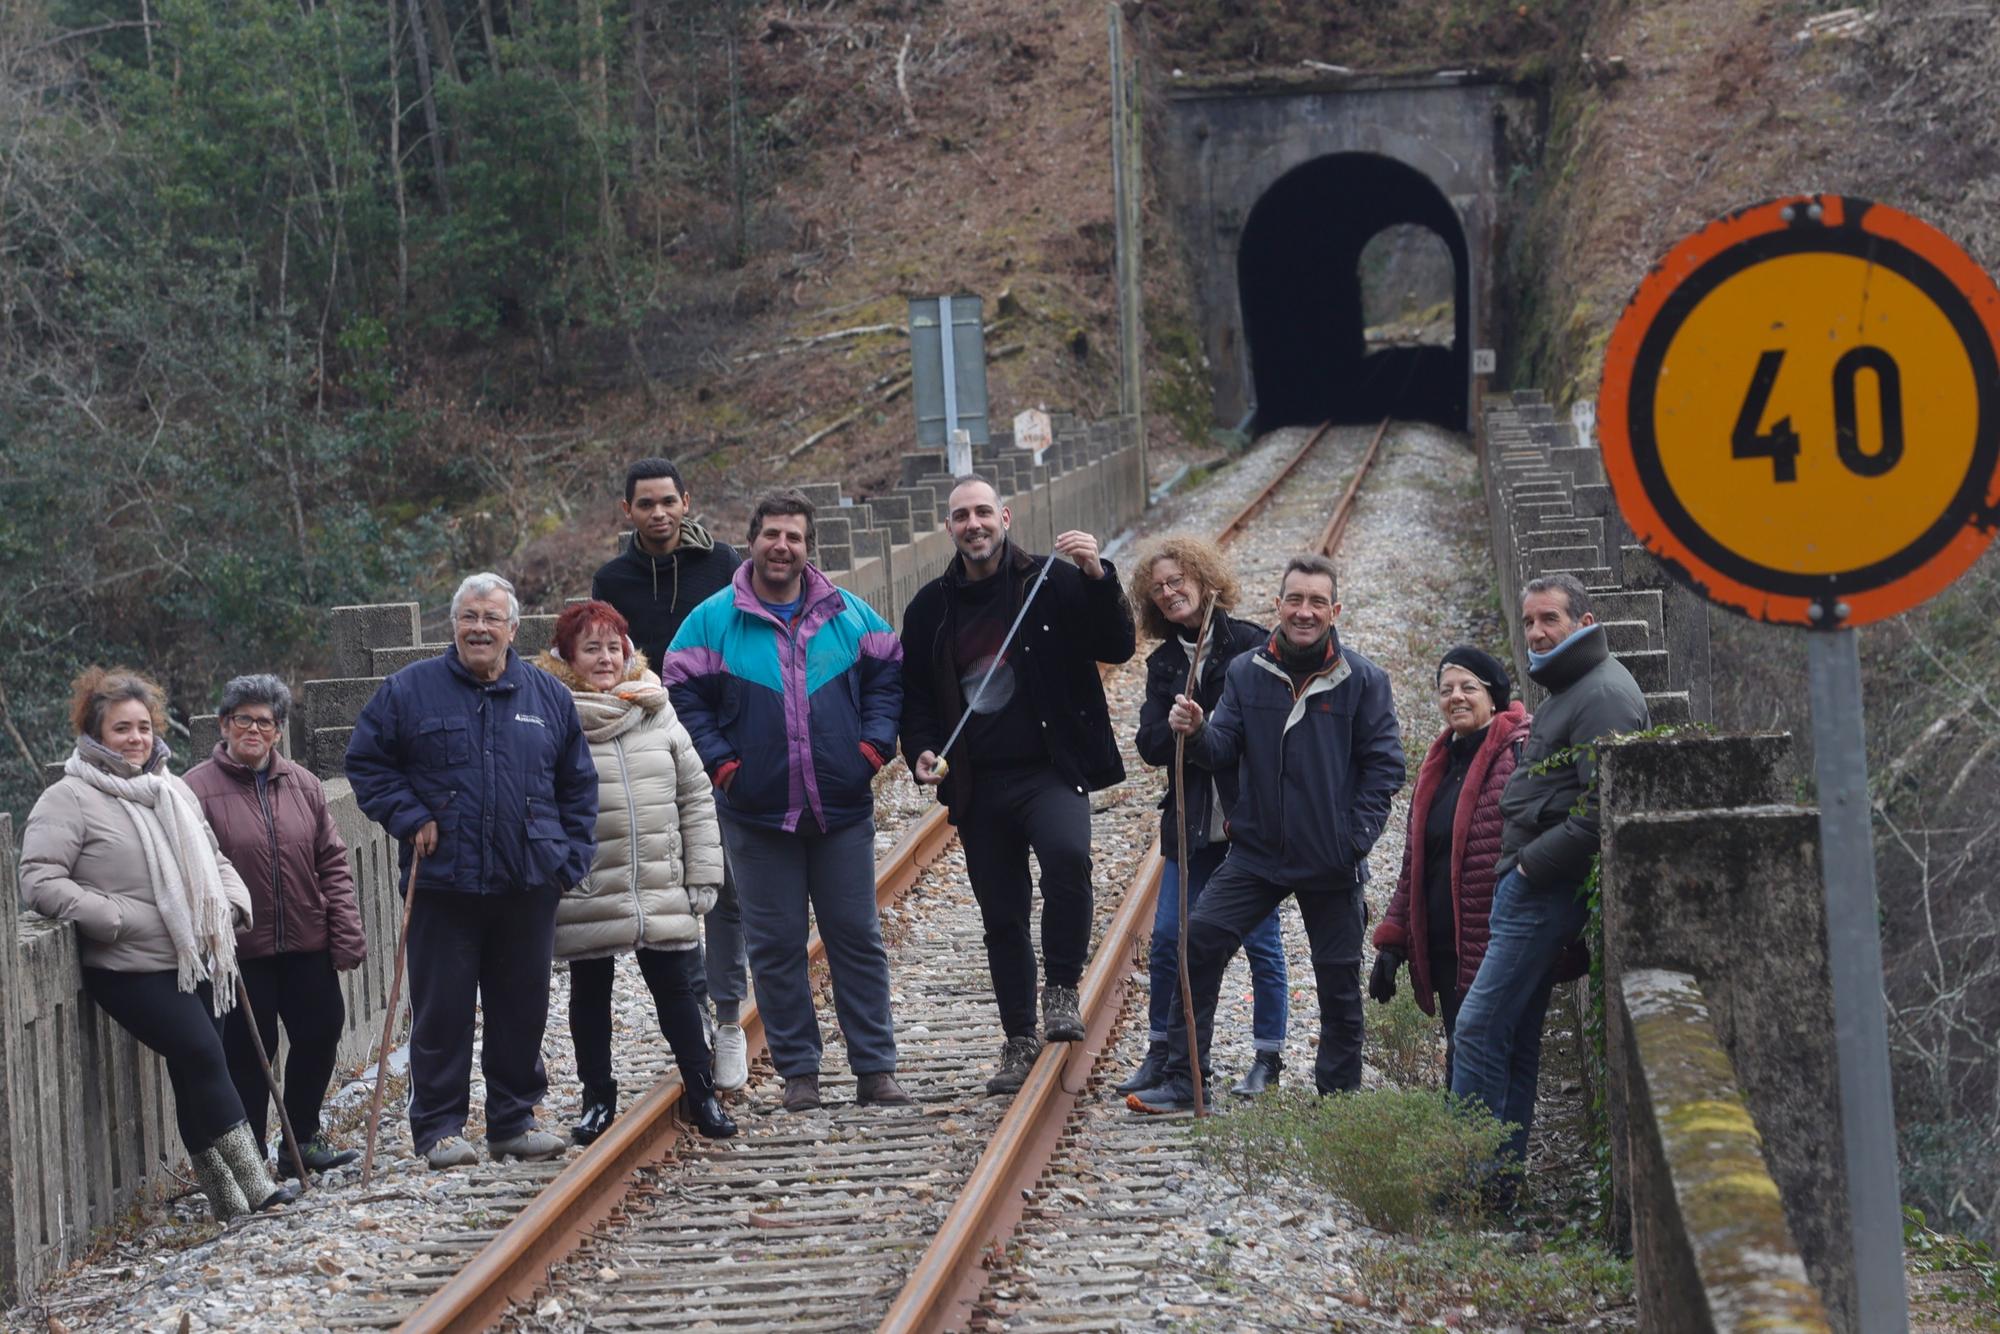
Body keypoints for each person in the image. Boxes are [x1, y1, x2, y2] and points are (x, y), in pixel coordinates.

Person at [21, 667, 299, 1221]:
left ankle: (226, 1199)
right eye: (121, 728)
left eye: (144, 727)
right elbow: (39, 879)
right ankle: (257, 1184)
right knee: (201, 1053)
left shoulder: (170, 789)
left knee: (194, 1066)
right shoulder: (69, 797)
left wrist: (230, 903)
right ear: (94, 732)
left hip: (194, 956)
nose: (136, 739)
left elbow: (213, 855)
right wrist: (115, 917)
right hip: (127, 966)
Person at [665, 491, 912, 1113]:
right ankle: (799, 1073)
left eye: (794, 538)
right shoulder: (712, 619)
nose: (782, 546)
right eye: (772, 534)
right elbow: (682, 690)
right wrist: (723, 765)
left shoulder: (849, 614)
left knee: (855, 936)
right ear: (751, 541)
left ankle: (875, 1069)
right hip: (756, 813)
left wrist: (872, 751)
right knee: (775, 947)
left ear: (808, 547)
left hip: (841, 809)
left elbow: (889, 675)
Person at [1130, 554, 1405, 1112]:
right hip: (1257, 852)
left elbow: (1385, 768)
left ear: (1335, 610)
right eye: (1295, 600)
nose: (1305, 612)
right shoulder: (1247, 671)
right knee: (1198, 943)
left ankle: (1338, 1099)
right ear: (1277, 606)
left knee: (1337, 981)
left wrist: (1354, 839)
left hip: (1331, 857)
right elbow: (1223, 746)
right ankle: (1186, 1080)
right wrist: (1199, 729)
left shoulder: (1364, 679)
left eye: (1317, 602)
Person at [345, 572, 598, 1169]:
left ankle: (512, 1121)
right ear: (452, 625)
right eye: (468, 617)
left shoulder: (547, 696)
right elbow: (367, 763)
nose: (479, 628)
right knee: (443, 1012)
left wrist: (566, 862)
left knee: (521, 1008)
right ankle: (438, 1129)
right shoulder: (408, 691)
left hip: (527, 881)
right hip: (442, 883)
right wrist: (409, 816)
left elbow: (579, 787)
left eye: (491, 618)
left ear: (513, 629)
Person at [899, 477, 1137, 1095]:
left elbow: (1118, 644)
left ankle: (1061, 987)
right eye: (960, 516)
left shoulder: (1053, 581)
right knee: (1001, 916)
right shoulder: (930, 607)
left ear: (1004, 517)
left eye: (983, 512)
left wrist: (1097, 575)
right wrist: (920, 750)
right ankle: (1018, 1038)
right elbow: (916, 699)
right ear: (948, 528)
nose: (973, 524)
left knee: (1068, 857)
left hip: (1050, 769)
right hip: (979, 785)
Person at [1449, 573, 1647, 1181]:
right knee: (1513, 1032)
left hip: (1542, 888)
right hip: (1529, 884)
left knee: (1479, 1028)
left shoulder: (1601, 693)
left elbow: (1603, 811)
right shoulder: (1570, 685)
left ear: (1584, 624)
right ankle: (1498, 1183)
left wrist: (1533, 866)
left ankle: (1471, 1179)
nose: (1535, 632)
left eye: (1550, 620)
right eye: (1530, 621)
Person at [534, 601, 737, 1143]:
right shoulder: (552, 716)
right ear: (566, 658)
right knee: (590, 990)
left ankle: (702, 1092)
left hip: (658, 878)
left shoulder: (655, 706)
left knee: (675, 986)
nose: (604, 658)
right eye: (590, 648)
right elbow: (537, 804)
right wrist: (557, 873)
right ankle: (596, 1099)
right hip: (588, 881)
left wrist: (702, 873)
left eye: (613, 646)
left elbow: (694, 794)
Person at [590, 456, 752, 1091]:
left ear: (688, 502)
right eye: (645, 504)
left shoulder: (724, 565)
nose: (658, 513)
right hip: (647, 749)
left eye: (668, 502)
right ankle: (699, 1020)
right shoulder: (613, 578)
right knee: (670, 893)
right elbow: (603, 659)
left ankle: (731, 1019)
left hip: (717, 744)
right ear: (627, 512)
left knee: (723, 889)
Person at [1121, 536, 1290, 1098]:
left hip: (1247, 825)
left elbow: (1273, 729)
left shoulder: (1252, 645)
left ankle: (1268, 1056)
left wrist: (1216, 726)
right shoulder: (1166, 661)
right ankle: (1163, 1051)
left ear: (1202, 579)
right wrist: (1175, 723)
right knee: (1169, 938)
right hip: (1192, 824)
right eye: (1159, 589)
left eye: (1178, 581)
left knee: (1261, 942)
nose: (1170, 593)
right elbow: (1147, 743)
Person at [186, 674, 368, 1173]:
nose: (253, 728)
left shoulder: (303, 784)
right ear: (224, 725)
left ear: (279, 731)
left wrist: (345, 929)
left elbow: (332, 861)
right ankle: (253, 1160)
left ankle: (301, 1140)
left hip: (306, 941)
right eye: (242, 718)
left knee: (322, 1029)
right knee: (250, 1054)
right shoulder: (194, 789)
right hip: (242, 952)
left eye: (265, 721)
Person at [1367, 647, 1531, 1087]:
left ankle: (1482, 1152)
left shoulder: (1518, 755)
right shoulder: (1439, 763)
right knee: (1467, 1055)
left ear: (1493, 696)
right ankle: (1471, 1148)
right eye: (1446, 689)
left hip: (1492, 945)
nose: (1456, 697)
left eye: (1468, 687)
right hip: (1447, 951)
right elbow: (1414, 866)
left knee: (1479, 1060)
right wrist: (1392, 944)